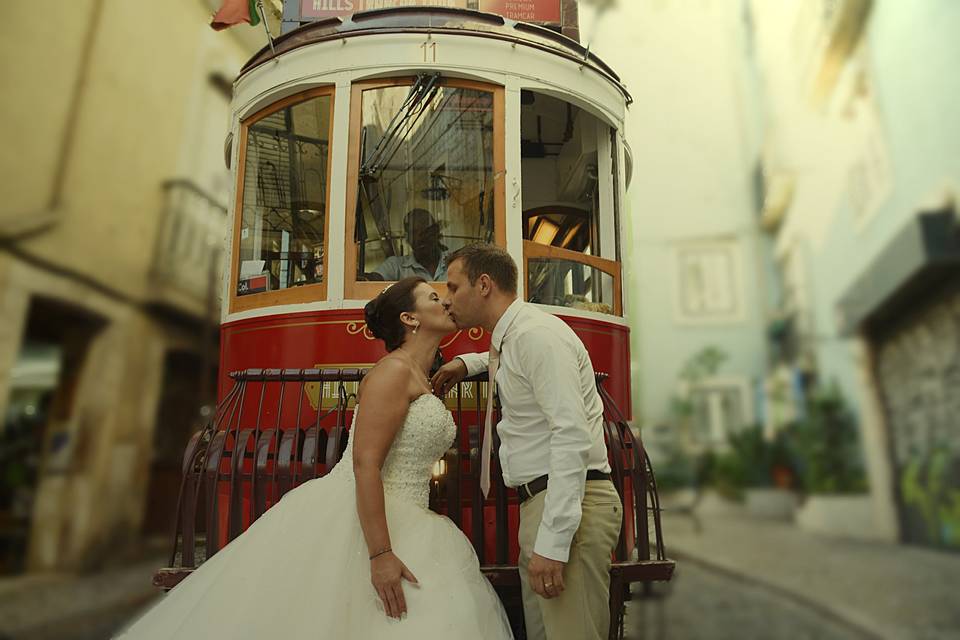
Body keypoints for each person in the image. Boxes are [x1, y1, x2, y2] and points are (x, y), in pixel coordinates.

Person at [115, 277, 512, 639]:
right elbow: (365, 463)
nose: (445, 300)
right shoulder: (393, 372)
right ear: (410, 318)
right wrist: (380, 555)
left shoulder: (422, 375)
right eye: (433, 296)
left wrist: (465, 362)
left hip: (411, 515)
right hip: (369, 521)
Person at [432, 244, 621, 640]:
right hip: (552, 503)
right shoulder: (519, 335)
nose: (447, 300)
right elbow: (511, 360)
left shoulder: (535, 337)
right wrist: (468, 362)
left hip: (569, 506)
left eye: (453, 287)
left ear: (483, 285)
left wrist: (553, 543)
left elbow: (571, 435)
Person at [368, 209, 448, 281]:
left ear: (436, 232)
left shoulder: (454, 262)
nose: (419, 238)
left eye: (426, 231)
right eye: (413, 233)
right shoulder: (396, 266)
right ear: (408, 239)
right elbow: (372, 279)